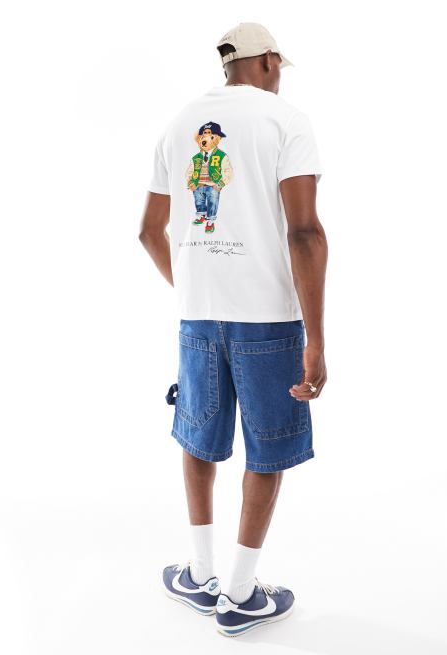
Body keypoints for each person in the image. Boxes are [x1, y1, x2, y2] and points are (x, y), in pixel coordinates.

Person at [139, 22, 328, 637]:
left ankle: (199, 575)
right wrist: (317, 339)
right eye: (278, 68)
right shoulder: (285, 122)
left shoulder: (177, 123)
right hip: (268, 315)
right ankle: (240, 594)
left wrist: (194, 287)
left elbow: (148, 230)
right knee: (266, 446)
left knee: (198, 437)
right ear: (268, 61)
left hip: (198, 314)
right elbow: (305, 231)